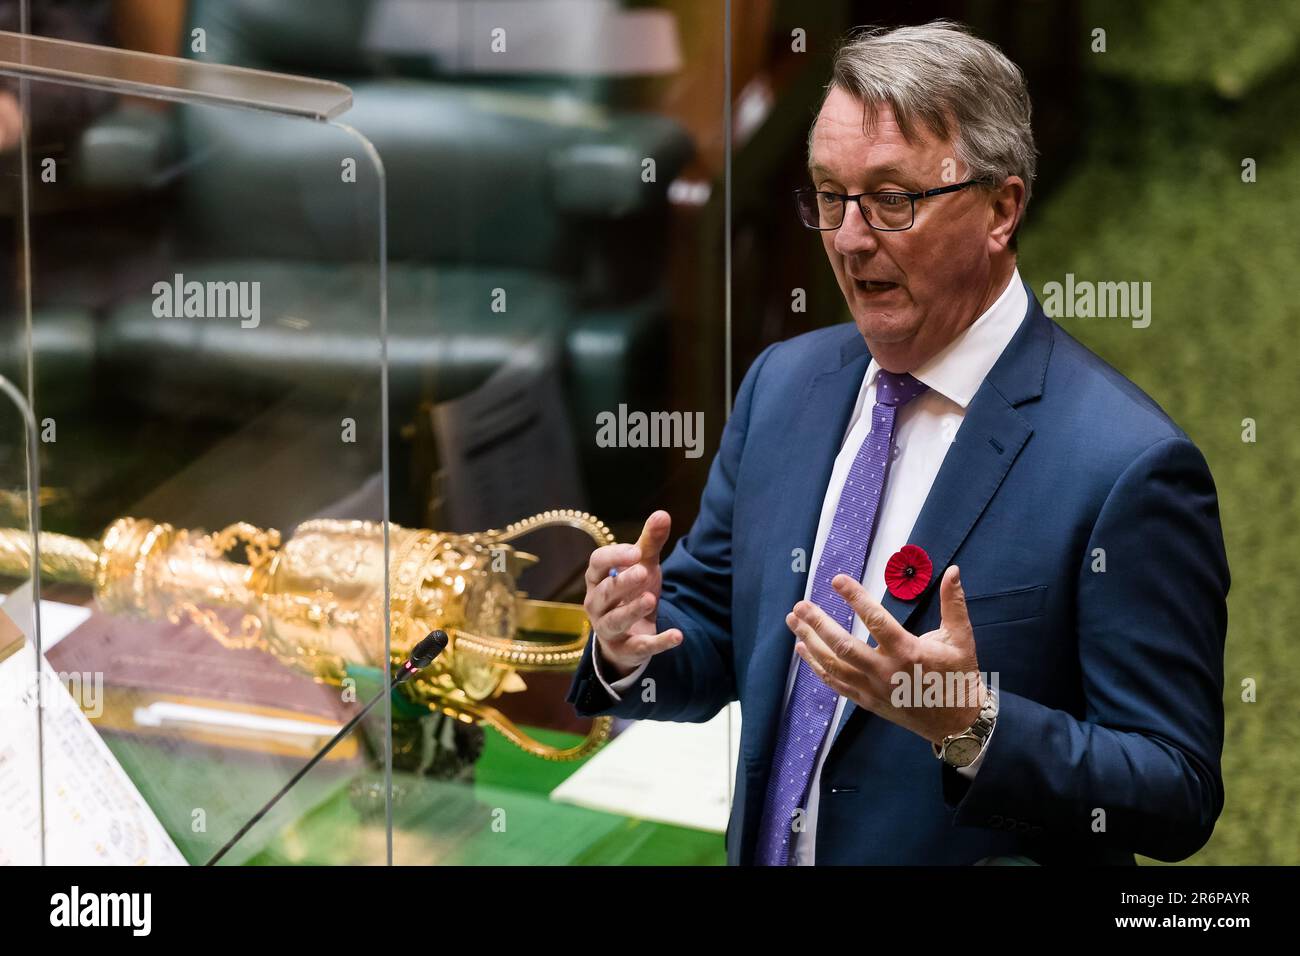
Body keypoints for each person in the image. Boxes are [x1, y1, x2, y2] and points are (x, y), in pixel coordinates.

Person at [567, 20, 1228, 866]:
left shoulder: (1126, 468)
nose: (847, 237)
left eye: (891, 200)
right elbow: (713, 632)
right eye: (829, 195)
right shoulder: (784, 388)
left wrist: (969, 726)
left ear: (1002, 207)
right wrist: (631, 639)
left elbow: (1173, 793)